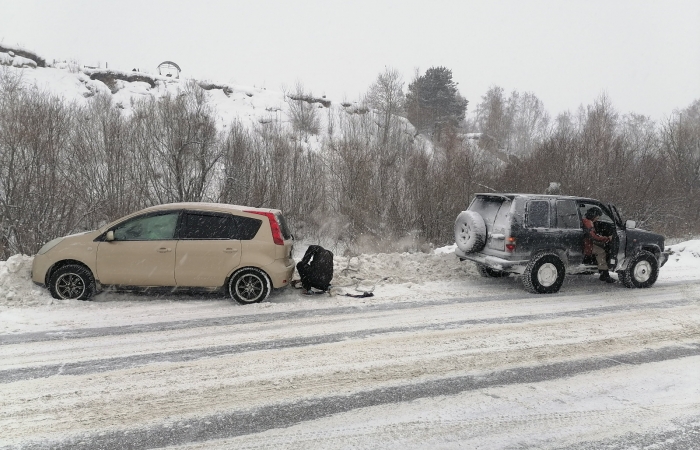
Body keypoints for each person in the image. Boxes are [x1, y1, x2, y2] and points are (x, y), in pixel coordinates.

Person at [582, 207, 615, 283]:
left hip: (586, 242)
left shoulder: (585, 220)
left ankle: (600, 268)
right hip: (587, 245)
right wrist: (607, 238)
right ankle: (604, 274)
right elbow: (594, 237)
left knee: (602, 245)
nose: (598, 218)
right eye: (597, 217)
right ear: (593, 215)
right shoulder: (589, 223)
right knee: (601, 252)